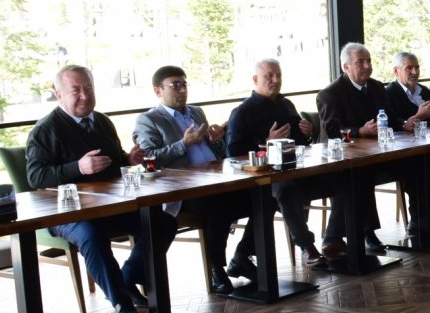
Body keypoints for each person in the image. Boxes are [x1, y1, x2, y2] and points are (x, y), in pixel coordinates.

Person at [25, 64, 174, 313]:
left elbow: (113, 160)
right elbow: (36, 177)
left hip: (109, 206)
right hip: (67, 212)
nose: (85, 96)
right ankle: (121, 303)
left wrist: (128, 158)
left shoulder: (102, 122)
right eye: (76, 90)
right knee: (91, 235)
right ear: (59, 95)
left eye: (89, 89)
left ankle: (127, 279)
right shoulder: (45, 130)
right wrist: (78, 168)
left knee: (163, 222)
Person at [132, 65, 240, 295]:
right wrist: (183, 144)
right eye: (175, 85)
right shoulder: (149, 120)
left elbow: (214, 151)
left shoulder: (197, 112)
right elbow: (149, 159)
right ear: (158, 91)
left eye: (184, 84)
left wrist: (218, 140)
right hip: (182, 190)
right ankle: (216, 267)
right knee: (219, 205)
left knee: (258, 196)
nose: (182, 90)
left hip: (213, 179)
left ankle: (243, 256)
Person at [224, 58, 326, 269]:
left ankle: (336, 238)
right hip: (261, 177)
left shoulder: (286, 104)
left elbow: (300, 142)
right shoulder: (242, 112)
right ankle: (307, 246)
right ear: (255, 80)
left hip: (295, 169)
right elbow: (233, 152)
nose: (275, 80)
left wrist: (308, 132)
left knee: (342, 177)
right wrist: (265, 143)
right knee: (286, 190)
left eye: (278, 75)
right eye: (269, 76)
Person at [315, 42, 390, 256]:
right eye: (360, 62)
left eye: (369, 61)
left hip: (374, 151)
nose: (367, 66)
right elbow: (332, 130)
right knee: (358, 173)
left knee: (417, 162)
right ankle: (358, 234)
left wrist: (407, 122)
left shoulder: (376, 87)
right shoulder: (329, 94)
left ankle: (421, 225)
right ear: (346, 67)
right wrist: (360, 131)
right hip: (337, 157)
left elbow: (388, 116)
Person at [383, 50, 430, 231]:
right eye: (409, 68)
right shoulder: (389, 93)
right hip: (403, 150)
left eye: (417, 67)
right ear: (396, 71)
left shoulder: (424, 91)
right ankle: (420, 221)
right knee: (419, 164)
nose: (414, 72)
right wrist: (419, 116)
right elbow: (392, 122)